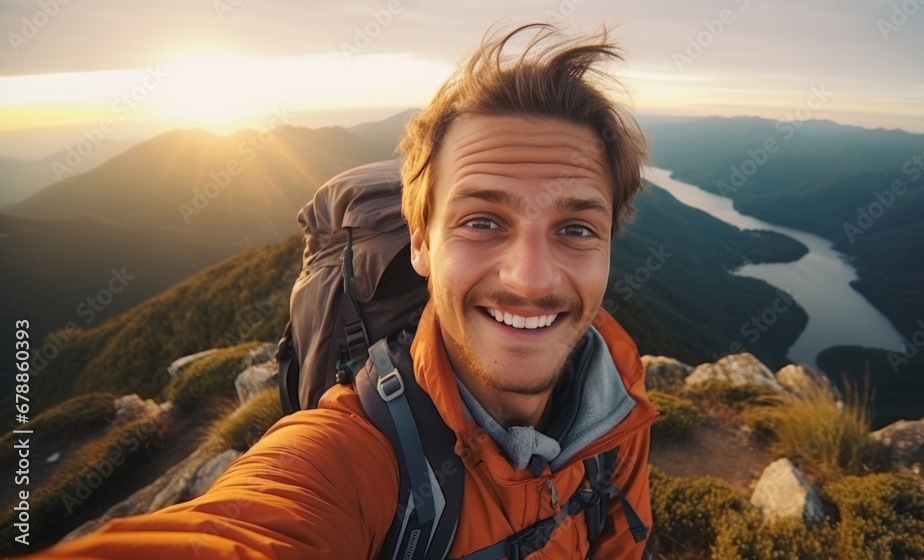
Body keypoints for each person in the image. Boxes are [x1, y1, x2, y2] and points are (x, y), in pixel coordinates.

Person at [28, 22, 656, 559]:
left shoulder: (618, 402)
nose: (532, 278)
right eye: (482, 221)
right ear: (421, 245)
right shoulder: (351, 459)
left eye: (576, 228)